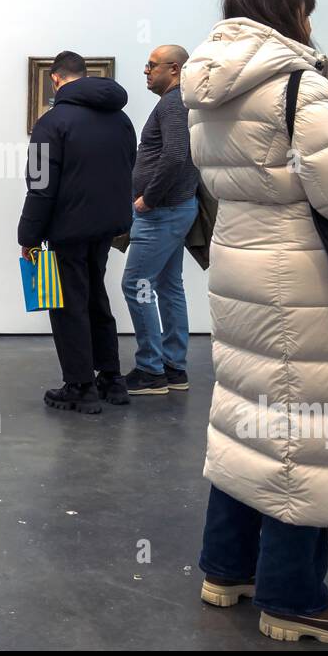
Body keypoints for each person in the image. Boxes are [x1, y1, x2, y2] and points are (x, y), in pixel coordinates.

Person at [182, 0, 328, 645]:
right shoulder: (300, 84)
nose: (311, 21)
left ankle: (227, 569)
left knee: (249, 418)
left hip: (241, 266)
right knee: (310, 433)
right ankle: (292, 597)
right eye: (305, 9)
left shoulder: (209, 89)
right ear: (288, 14)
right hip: (304, 278)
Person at [18, 51, 136, 413]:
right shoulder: (122, 119)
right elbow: (129, 165)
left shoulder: (51, 123)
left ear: (55, 80)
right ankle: (111, 378)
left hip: (67, 229)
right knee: (95, 296)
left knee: (68, 304)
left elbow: (40, 184)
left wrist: (28, 235)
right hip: (106, 226)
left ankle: (80, 385)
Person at [122, 44, 201, 396]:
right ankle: (173, 367)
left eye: (152, 65)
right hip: (173, 210)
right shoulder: (178, 103)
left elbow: (174, 155)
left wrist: (147, 199)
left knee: (136, 284)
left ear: (174, 69)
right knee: (169, 287)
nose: (145, 71)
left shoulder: (172, 104)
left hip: (161, 212)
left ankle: (151, 370)